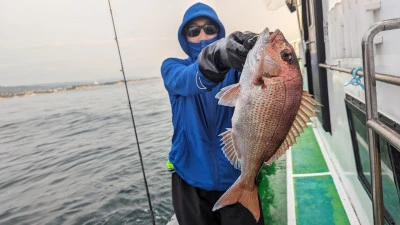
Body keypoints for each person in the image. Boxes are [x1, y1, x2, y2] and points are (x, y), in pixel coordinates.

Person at [161, 2, 264, 225]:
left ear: (220, 32)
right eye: (193, 31)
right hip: (190, 180)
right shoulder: (172, 68)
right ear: (184, 38)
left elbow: (262, 82)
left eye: (210, 28)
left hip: (235, 177)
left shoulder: (238, 71)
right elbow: (186, 80)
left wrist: (255, 51)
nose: (202, 36)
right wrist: (218, 56)